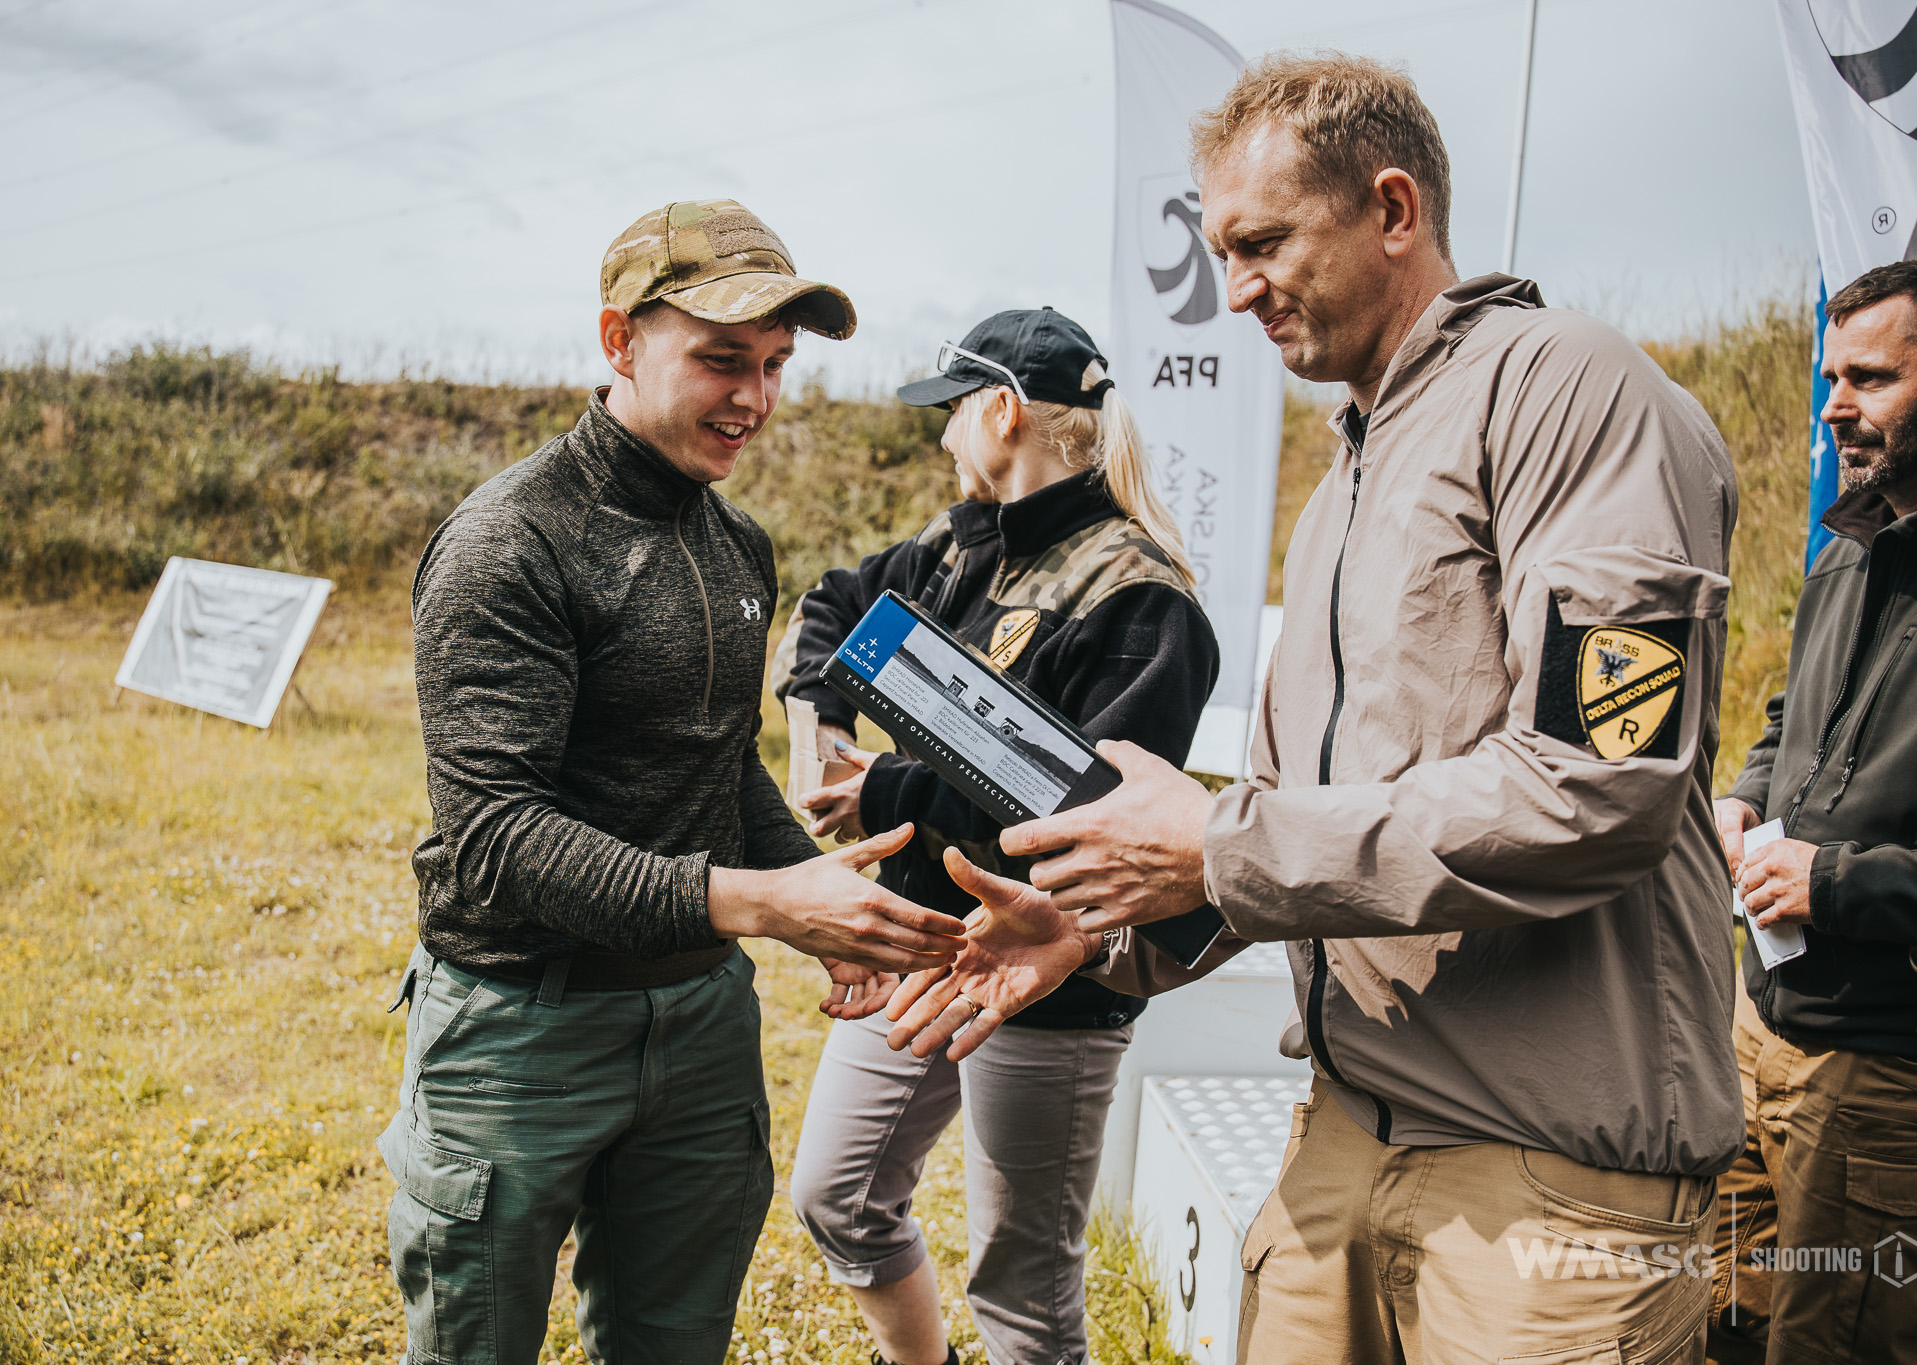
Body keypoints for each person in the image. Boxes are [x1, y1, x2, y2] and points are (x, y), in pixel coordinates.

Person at [886, 53, 1743, 1365]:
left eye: (1262, 244)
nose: (1234, 292)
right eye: (1221, 256)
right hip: (1344, 1133)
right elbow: (1295, 833)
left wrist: (1217, 844)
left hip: (1549, 1179)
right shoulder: (1339, 483)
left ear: (1392, 209)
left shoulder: (1571, 388)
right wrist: (1109, 937)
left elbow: (1599, 784)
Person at [383, 199, 966, 1365]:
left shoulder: (734, 542)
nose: (753, 397)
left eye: (774, 365)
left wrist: (823, 905)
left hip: (701, 1023)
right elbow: (496, 834)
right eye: (720, 359)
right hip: (518, 1025)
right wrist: (766, 904)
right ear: (619, 341)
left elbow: (717, 764)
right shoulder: (510, 543)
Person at [772, 307, 1220, 1365]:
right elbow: (833, 606)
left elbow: (1091, 832)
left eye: (951, 412)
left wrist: (885, 789)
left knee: (1021, 1289)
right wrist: (819, 732)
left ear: (1003, 412)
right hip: (920, 943)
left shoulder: (1140, 600)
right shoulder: (956, 546)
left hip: (1044, 975)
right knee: (836, 1196)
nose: (941, 436)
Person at [1708, 260, 1917, 1364]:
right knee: (1713, 1329)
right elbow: (1791, 722)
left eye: (1867, 378)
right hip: (1758, 1039)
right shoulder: (1851, 536)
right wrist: (1746, 796)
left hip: (1910, 1089)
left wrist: (1836, 883)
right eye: (1827, 379)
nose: (1833, 407)